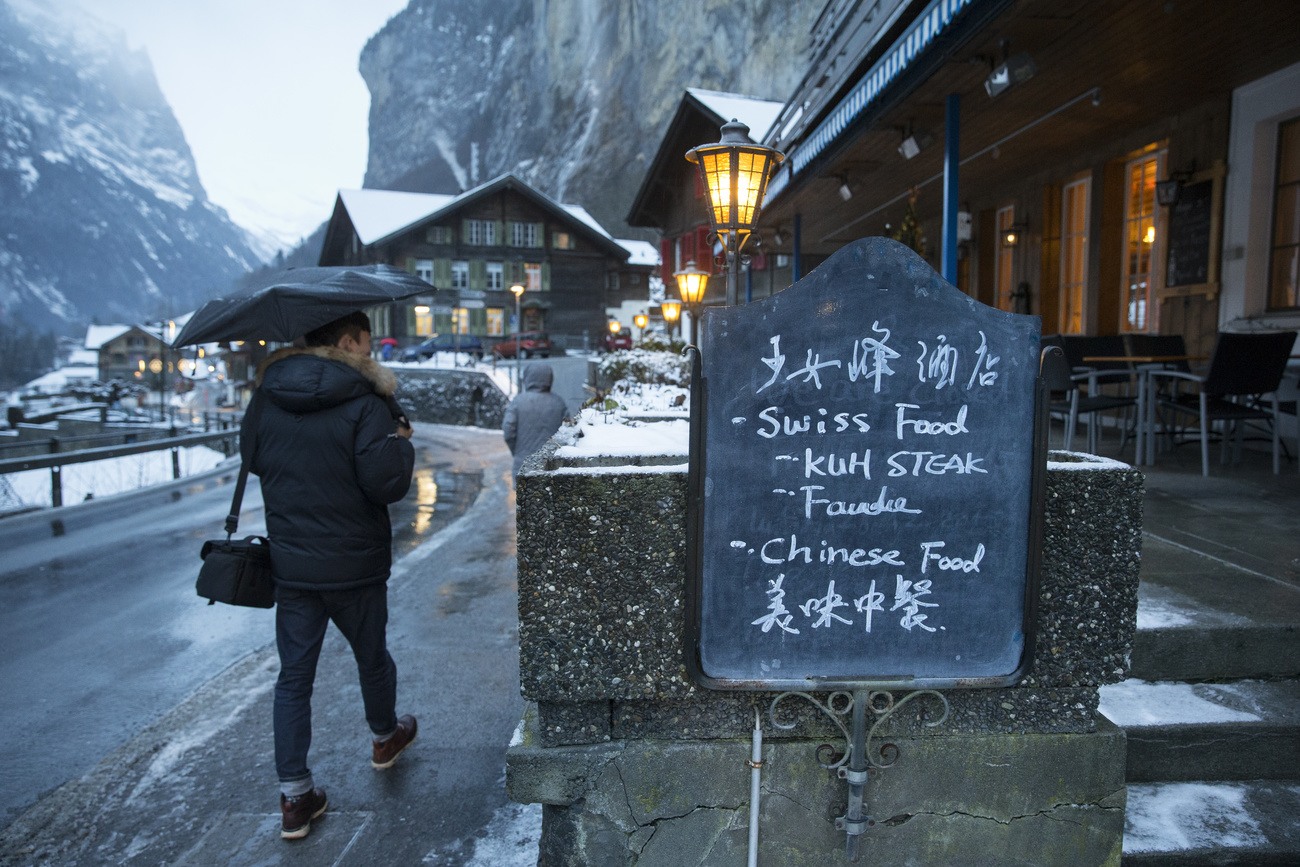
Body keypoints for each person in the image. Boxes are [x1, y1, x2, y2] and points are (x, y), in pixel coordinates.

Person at [245, 310, 417, 840]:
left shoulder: (267, 395)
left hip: (293, 565)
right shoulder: (367, 401)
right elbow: (386, 485)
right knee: (371, 658)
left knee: (293, 679)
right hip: (355, 564)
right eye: (366, 342)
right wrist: (400, 441)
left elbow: (253, 458)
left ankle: (296, 798)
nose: (371, 351)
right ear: (346, 341)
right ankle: (385, 738)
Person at [502, 362, 567, 482]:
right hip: (552, 464)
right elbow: (567, 433)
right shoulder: (559, 403)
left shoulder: (518, 402)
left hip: (524, 463)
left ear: (527, 378)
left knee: (524, 493)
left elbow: (508, 431)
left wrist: (517, 451)